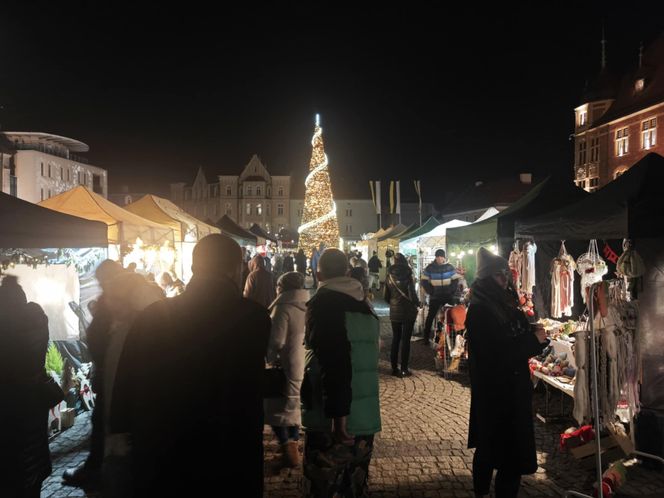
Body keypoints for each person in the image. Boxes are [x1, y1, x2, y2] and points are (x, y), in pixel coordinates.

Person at [110, 234, 271, 497]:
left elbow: (126, 379)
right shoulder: (254, 318)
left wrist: (121, 430)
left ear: (195, 267)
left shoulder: (153, 316)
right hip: (227, 452)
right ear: (234, 269)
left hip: (163, 450)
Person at [466, 247, 549, 498]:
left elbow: (511, 338)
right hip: (499, 391)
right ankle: (483, 492)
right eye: (499, 276)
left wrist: (533, 334)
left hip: (506, 390)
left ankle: (481, 491)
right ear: (486, 278)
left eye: (506, 275)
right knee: (506, 457)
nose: (505, 280)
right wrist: (533, 340)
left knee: (490, 447)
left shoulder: (500, 302)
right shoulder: (481, 310)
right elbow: (500, 353)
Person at [301, 248, 381, 497]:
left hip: (333, 420)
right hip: (365, 416)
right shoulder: (365, 306)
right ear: (347, 272)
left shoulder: (323, 305)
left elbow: (335, 361)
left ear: (319, 274)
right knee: (353, 487)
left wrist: (339, 417)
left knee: (324, 487)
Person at [63, 259, 124, 489]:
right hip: (111, 374)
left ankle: (98, 470)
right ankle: (97, 467)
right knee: (101, 422)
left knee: (104, 422)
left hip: (115, 374)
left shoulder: (115, 304)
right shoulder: (111, 303)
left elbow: (102, 339)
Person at [0, 275, 62, 498]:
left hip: (8, 404)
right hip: (34, 400)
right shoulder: (36, 319)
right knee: (31, 459)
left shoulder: (6, 329)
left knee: (11, 468)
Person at [265, 271, 308, 468]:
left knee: (279, 409)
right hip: (303, 362)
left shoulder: (283, 308)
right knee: (295, 406)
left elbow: (276, 341)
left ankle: (288, 447)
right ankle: (294, 444)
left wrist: (268, 354)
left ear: (282, 288)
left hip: (285, 365)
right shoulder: (308, 306)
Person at [384, 253, 420, 377]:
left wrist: (393, 303)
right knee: (406, 341)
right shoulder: (408, 273)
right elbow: (411, 293)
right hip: (408, 310)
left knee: (396, 339)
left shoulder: (389, 274)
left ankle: (394, 368)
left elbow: (386, 296)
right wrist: (417, 303)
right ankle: (404, 368)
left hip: (395, 310)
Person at [421, 249, 461, 343]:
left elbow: (455, 279)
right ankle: (426, 338)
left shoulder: (450, 267)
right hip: (435, 296)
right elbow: (424, 280)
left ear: (444, 257)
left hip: (448, 296)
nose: (439, 259)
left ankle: (453, 337)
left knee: (451, 315)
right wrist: (431, 291)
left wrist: (452, 290)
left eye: (441, 257)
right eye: (438, 257)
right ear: (435, 257)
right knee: (430, 316)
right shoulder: (430, 268)